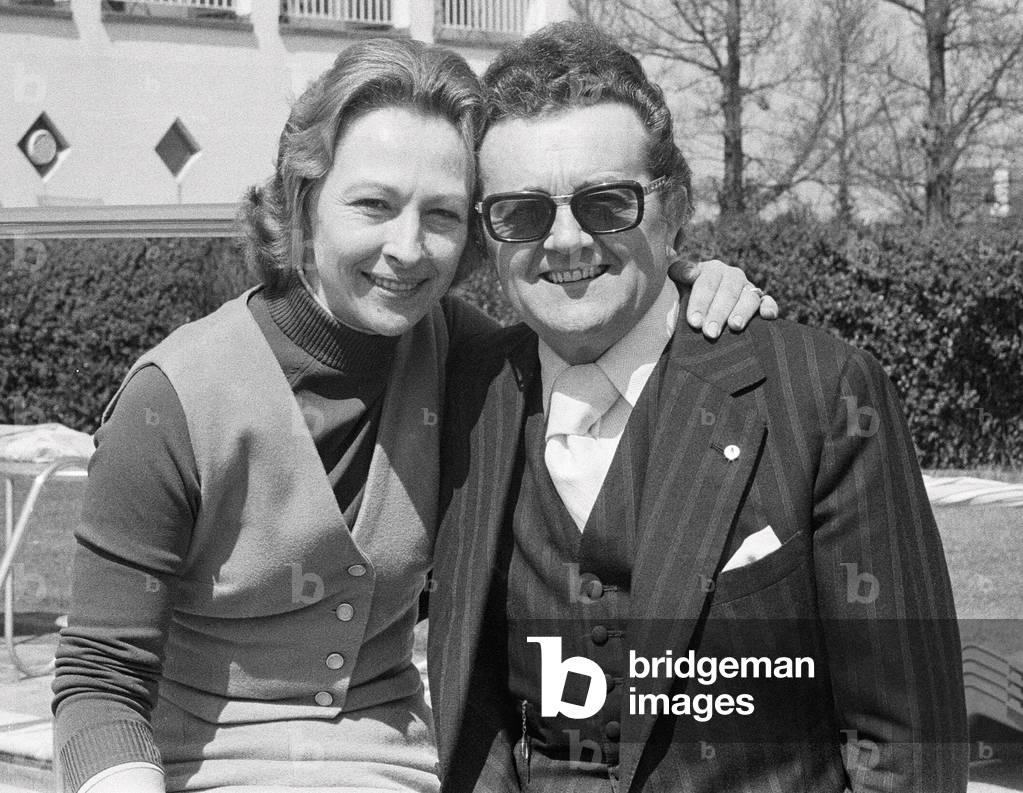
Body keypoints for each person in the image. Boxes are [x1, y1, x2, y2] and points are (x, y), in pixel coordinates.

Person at [51, 37, 773, 793]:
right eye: (373, 204)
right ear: (304, 200)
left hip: (407, 773)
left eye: (442, 215)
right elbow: (100, 676)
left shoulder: (467, 357)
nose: (406, 248)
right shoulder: (172, 399)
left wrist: (685, 284)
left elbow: (604, 327)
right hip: (198, 771)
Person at [427, 21, 969, 793]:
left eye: (607, 202)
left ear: (672, 204)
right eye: (522, 213)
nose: (567, 240)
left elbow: (905, 737)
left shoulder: (819, 392)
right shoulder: (462, 394)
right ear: (488, 232)